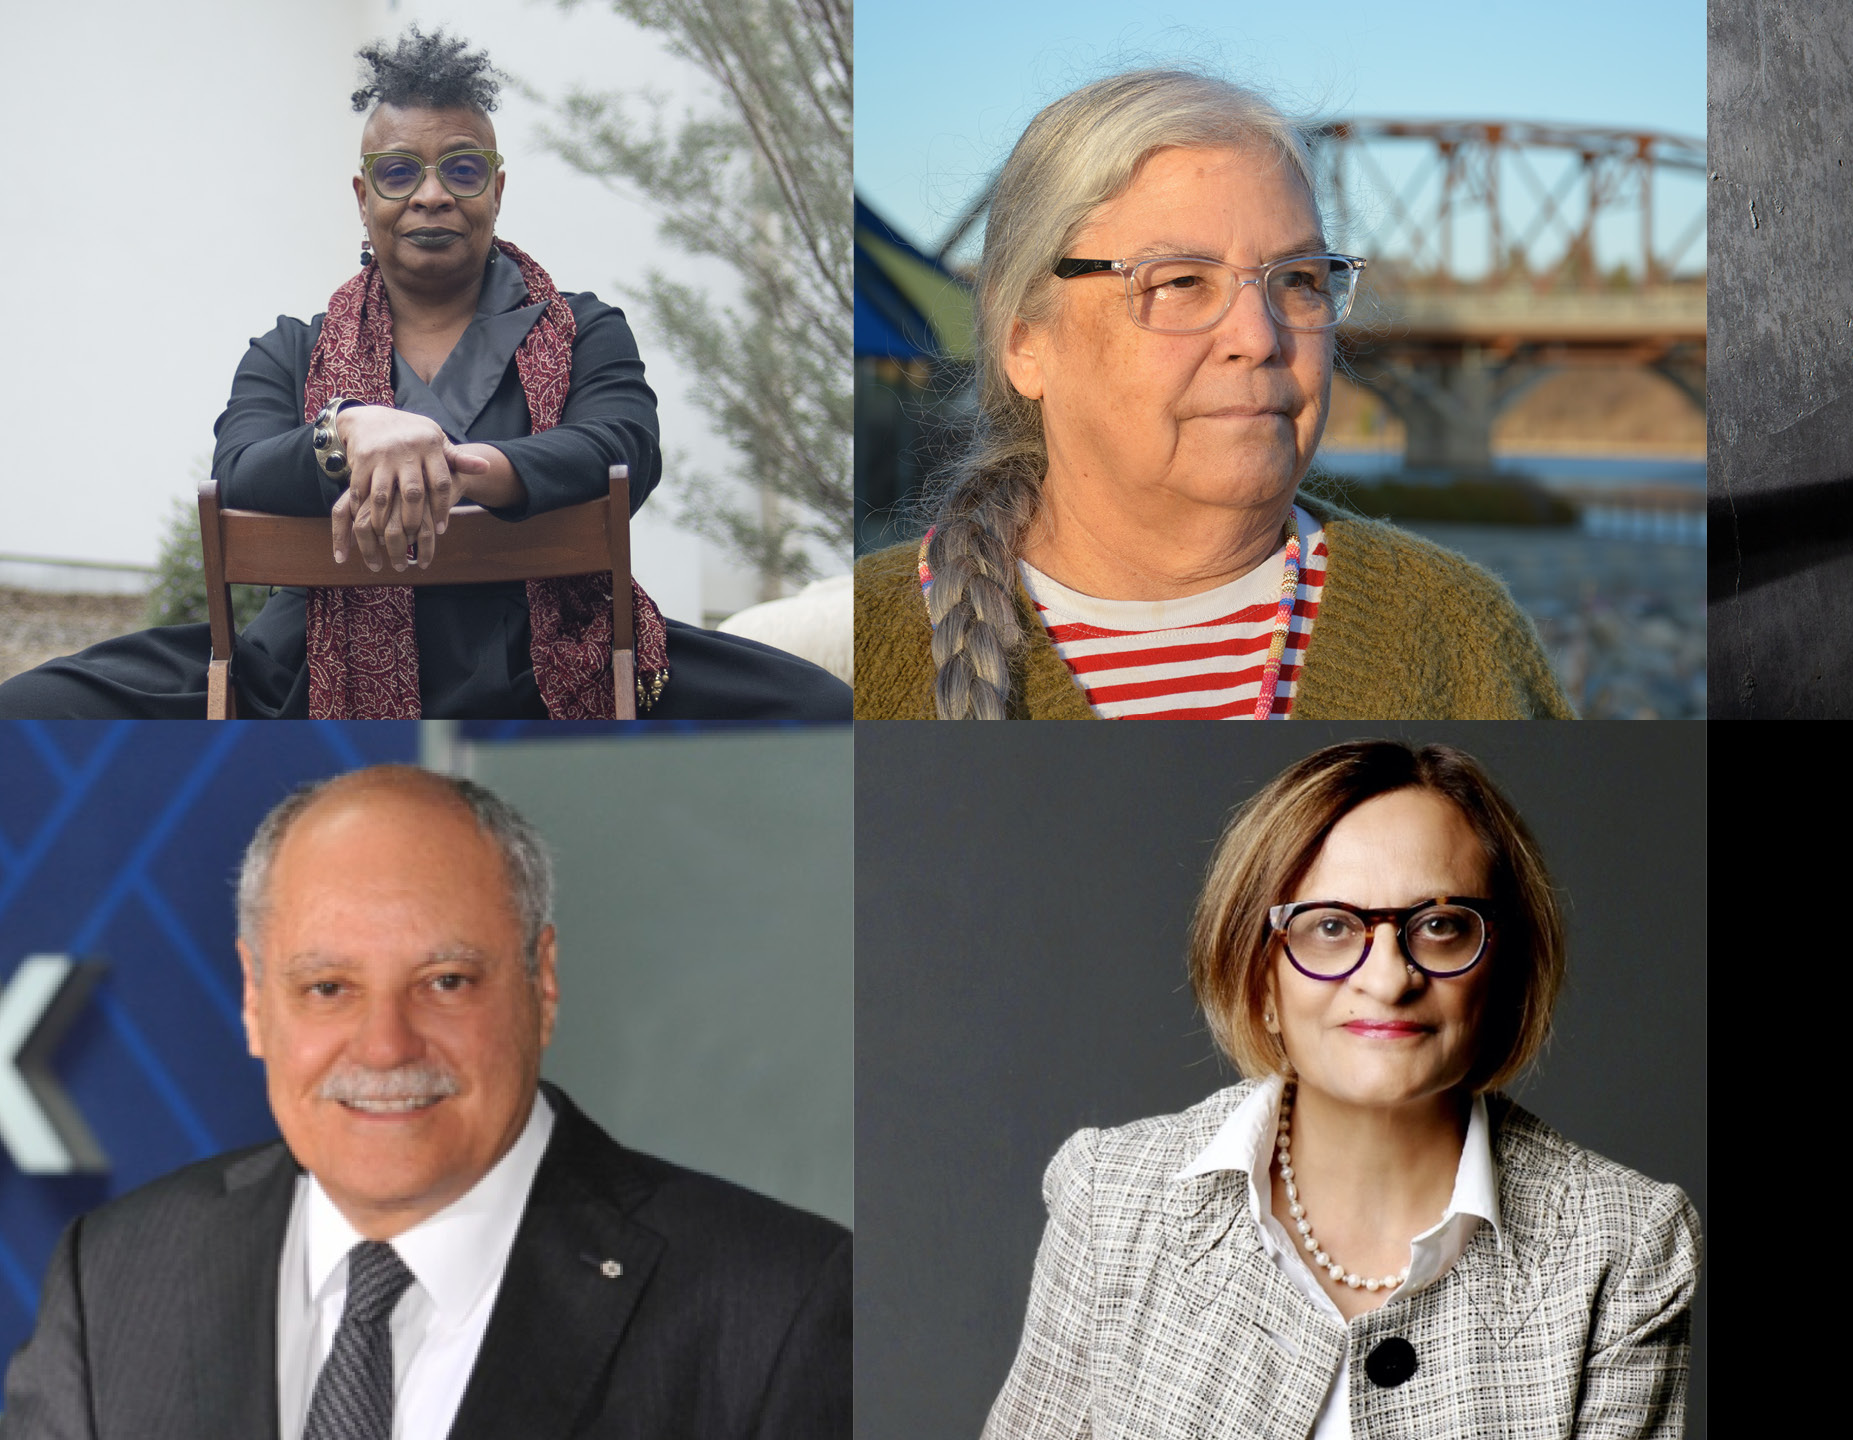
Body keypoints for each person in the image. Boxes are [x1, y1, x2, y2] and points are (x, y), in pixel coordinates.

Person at [0, 26, 849, 720]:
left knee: (820, 707)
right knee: (35, 707)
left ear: (498, 189)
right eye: (399, 172)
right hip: (305, 675)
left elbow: (625, 445)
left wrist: (473, 465)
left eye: (462, 168)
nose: (432, 194)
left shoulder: (585, 329)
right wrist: (349, 431)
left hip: (545, 659)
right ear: (362, 196)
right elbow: (239, 469)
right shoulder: (289, 351)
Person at [0, 766, 849, 1439]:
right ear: (256, 1000)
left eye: (446, 982)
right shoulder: (113, 1276)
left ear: (541, 982)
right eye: (328, 987)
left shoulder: (777, 1302)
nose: (385, 1046)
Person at [982, 741, 1695, 1439]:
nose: (1388, 980)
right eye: (1330, 927)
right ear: (1259, 973)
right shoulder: (1111, 1199)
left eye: (1441, 926)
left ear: (1503, 970)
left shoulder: (1625, 1246)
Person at [852, 70, 1572, 719]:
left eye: (1299, 278)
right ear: (1025, 345)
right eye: (1180, 282)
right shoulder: (855, 645)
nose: (1259, 337)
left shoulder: (1460, 631)